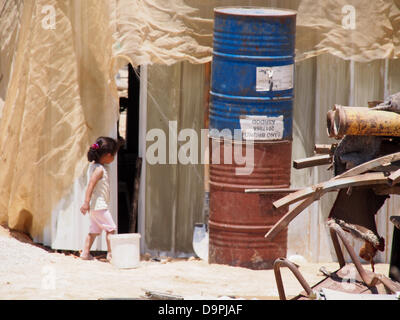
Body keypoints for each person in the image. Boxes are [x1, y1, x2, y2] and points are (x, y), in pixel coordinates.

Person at [80, 136, 122, 261]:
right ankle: (111, 254)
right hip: (99, 206)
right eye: (113, 155)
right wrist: (86, 202)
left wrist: (88, 204)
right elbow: (90, 186)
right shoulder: (99, 170)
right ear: (108, 155)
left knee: (93, 231)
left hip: (95, 207)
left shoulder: (94, 167)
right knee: (111, 228)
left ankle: (85, 253)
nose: (113, 158)